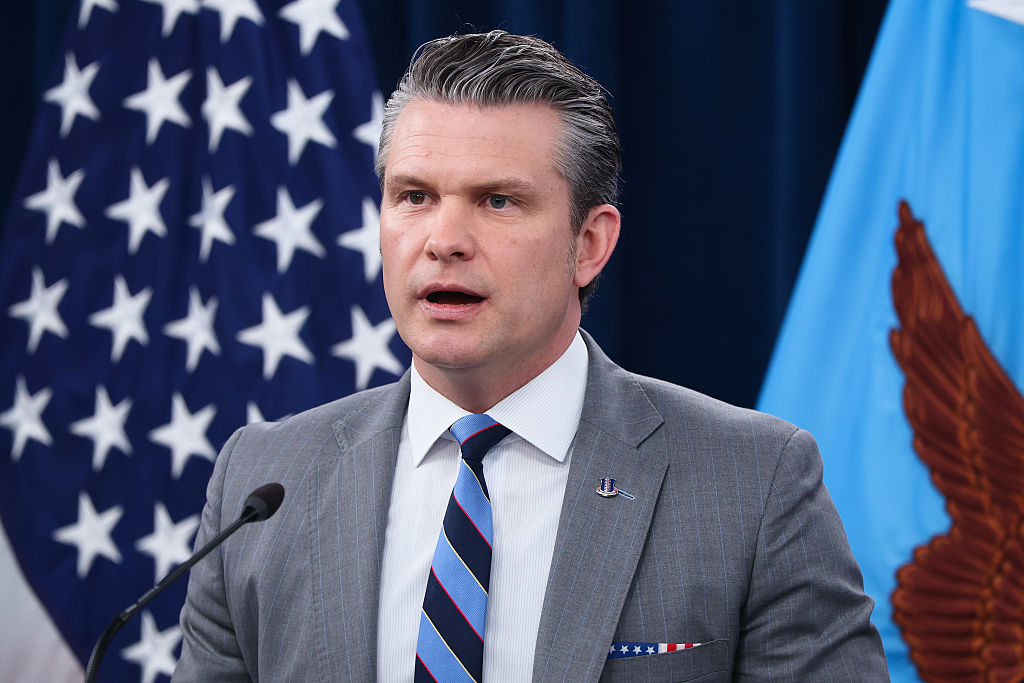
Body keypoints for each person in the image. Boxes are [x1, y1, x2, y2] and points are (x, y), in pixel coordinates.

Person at [173, 30, 890, 682]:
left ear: (590, 244)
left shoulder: (752, 482)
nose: (444, 240)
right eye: (414, 196)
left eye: (497, 201)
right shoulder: (263, 482)